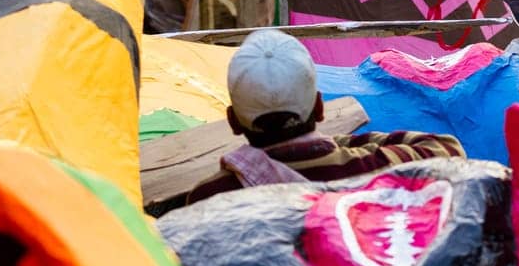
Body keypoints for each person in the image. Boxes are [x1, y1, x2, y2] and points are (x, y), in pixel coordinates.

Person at [186, 30, 465, 204]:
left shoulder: (209, 195)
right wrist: (337, 143)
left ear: (233, 121)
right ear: (320, 107)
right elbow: (447, 149)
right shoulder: (368, 168)